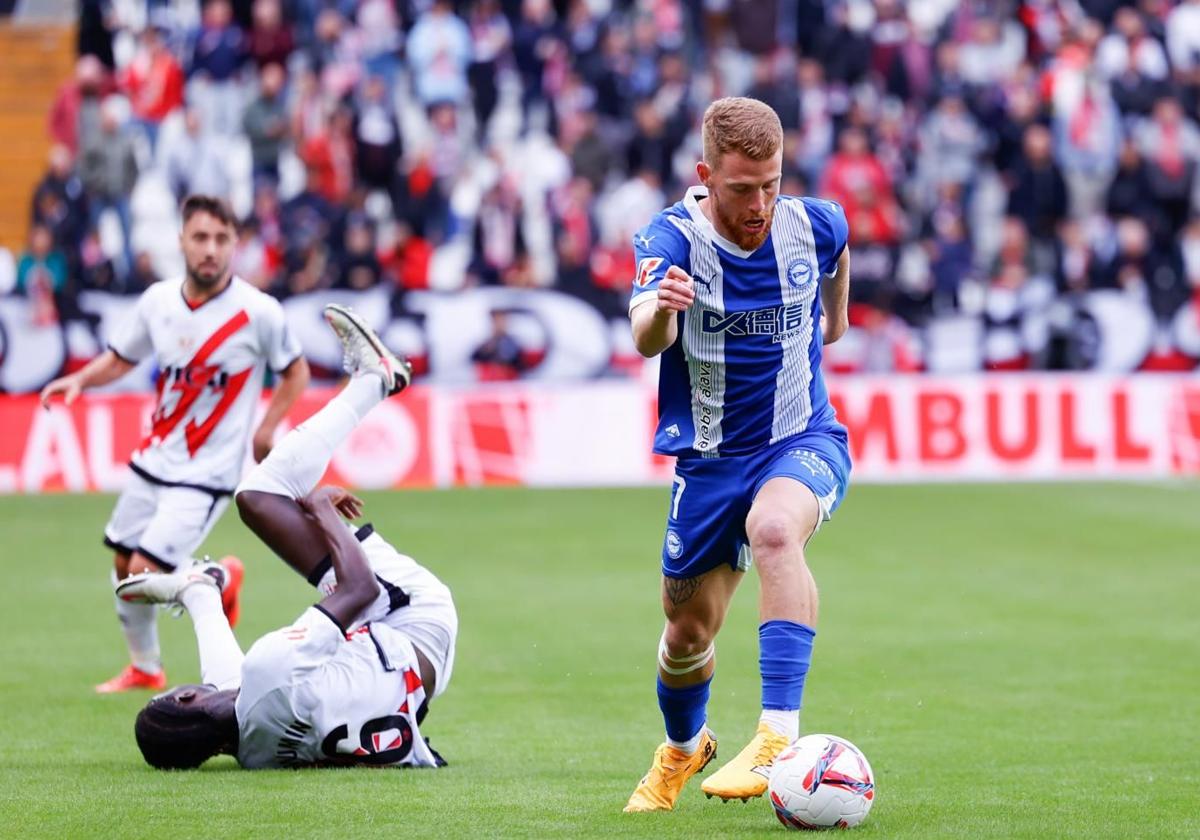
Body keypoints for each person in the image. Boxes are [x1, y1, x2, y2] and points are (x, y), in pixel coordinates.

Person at [623, 97, 852, 812]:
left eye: (772, 184)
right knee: (685, 634)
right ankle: (685, 750)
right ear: (705, 174)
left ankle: (778, 733)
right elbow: (643, 337)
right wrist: (664, 307)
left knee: (776, 531)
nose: (759, 203)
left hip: (801, 437)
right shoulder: (670, 240)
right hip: (711, 462)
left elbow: (838, 261)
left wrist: (835, 318)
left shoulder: (815, 224)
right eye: (742, 187)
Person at [120, 305, 457, 769]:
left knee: (244, 685)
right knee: (258, 496)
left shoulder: (255, 755)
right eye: (180, 693)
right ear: (182, 701)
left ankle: (200, 590)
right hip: (415, 618)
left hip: (413, 686)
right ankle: (375, 378)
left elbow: (233, 690)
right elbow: (363, 589)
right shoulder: (268, 667)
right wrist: (321, 510)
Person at [39, 195, 310, 693]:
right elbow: (122, 358)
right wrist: (81, 380)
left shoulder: (257, 311)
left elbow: (296, 371)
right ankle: (147, 666)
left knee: (145, 570)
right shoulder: (159, 302)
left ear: (235, 245)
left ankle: (214, 582)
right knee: (124, 568)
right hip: (154, 458)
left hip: (207, 474)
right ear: (181, 241)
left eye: (222, 239)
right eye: (201, 238)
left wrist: (268, 427)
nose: (211, 249)